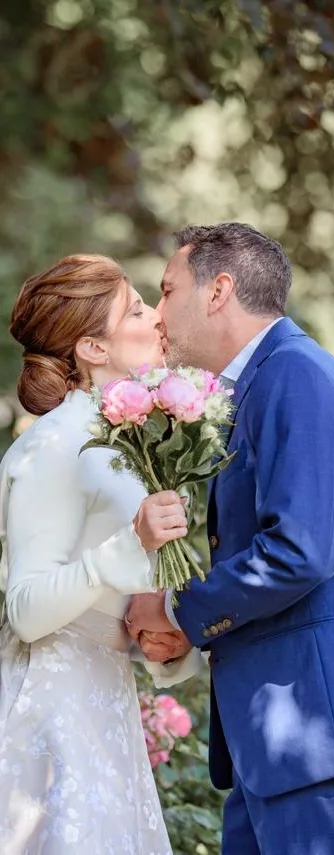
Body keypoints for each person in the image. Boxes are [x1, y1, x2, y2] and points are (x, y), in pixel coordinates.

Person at [126, 223, 334, 855]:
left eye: (165, 291)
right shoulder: (263, 382)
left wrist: (181, 611)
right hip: (280, 742)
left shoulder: (296, 377)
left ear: (219, 291)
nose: (157, 314)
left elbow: (301, 551)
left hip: (321, 732)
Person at [0, 255, 202, 854]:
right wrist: (131, 545)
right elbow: (28, 611)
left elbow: (104, 596)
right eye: (137, 309)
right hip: (52, 716)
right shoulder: (52, 446)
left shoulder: (116, 445)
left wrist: (163, 634)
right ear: (92, 347)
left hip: (103, 703)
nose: (156, 318)